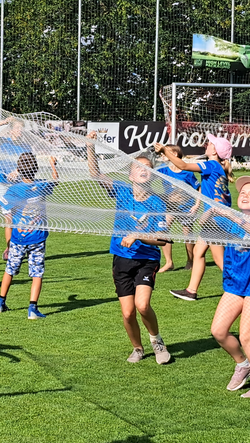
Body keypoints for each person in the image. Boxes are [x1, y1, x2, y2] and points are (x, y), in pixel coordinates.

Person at [87, 131, 171, 364]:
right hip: (122, 259)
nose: (143, 170)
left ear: (152, 174)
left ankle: (157, 341)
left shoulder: (157, 202)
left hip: (146, 260)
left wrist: (138, 236)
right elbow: (95, 174)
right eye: (138, 167)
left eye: (147, 168)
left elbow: (162, 239)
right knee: (127, 312)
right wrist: (90, 146)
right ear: (130, 174)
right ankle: (137, 348)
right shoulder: (122, 192)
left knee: (142, 306)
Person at [155, 134, 234, 301]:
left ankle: (240, 288)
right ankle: (191, 290)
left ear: (215, 150)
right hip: (215, 218)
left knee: (220, 260)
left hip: (216, 219)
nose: (207, 145)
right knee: (198, 252)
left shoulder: (212, 164)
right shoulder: (218, 166)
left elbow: (182, 165)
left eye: (210, 144)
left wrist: (164, 150)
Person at [0, 152, 58, 319]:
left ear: (18, 169)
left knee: (10, 269)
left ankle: (0, 303)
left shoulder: (14, 190)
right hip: (37, 237)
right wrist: (53, 163)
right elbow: (55, 179)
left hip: (18, 238)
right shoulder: (41, 185)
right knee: (37, 273)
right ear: (36, 169)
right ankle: (32, 309)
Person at [207, 176, 250, 396]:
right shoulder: (231, 220)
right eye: (243, 192)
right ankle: (242, 364)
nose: (245, 195)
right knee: (219, 331)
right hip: (235, 285)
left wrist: (227, 213)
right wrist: (212, 209)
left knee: (246, 336)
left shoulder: (236, 219)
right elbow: (206, 225)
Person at [0, 116, 32, 262]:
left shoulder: (26, 147)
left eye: (21, 129)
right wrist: (4, 122)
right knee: (8, 217)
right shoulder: (3, 142)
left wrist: (17, 171)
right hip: (3, 184)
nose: (20, 131)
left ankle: (23, 245)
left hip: (18, 186)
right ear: (11, 130)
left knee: (20, 216)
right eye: (17, 128)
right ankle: (10, 248)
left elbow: (29, 163)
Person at [155, 144, 200, 272]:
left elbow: (198, 188)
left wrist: (196, 205)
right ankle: (169, 262)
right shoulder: (163, 169)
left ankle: (190, 260)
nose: (163, 155)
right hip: (170, 207)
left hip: (187, 207)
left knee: (187, 234)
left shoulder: (187, 172)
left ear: (174, 155)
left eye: (165, 152)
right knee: (163, 230)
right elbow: (150, 175)